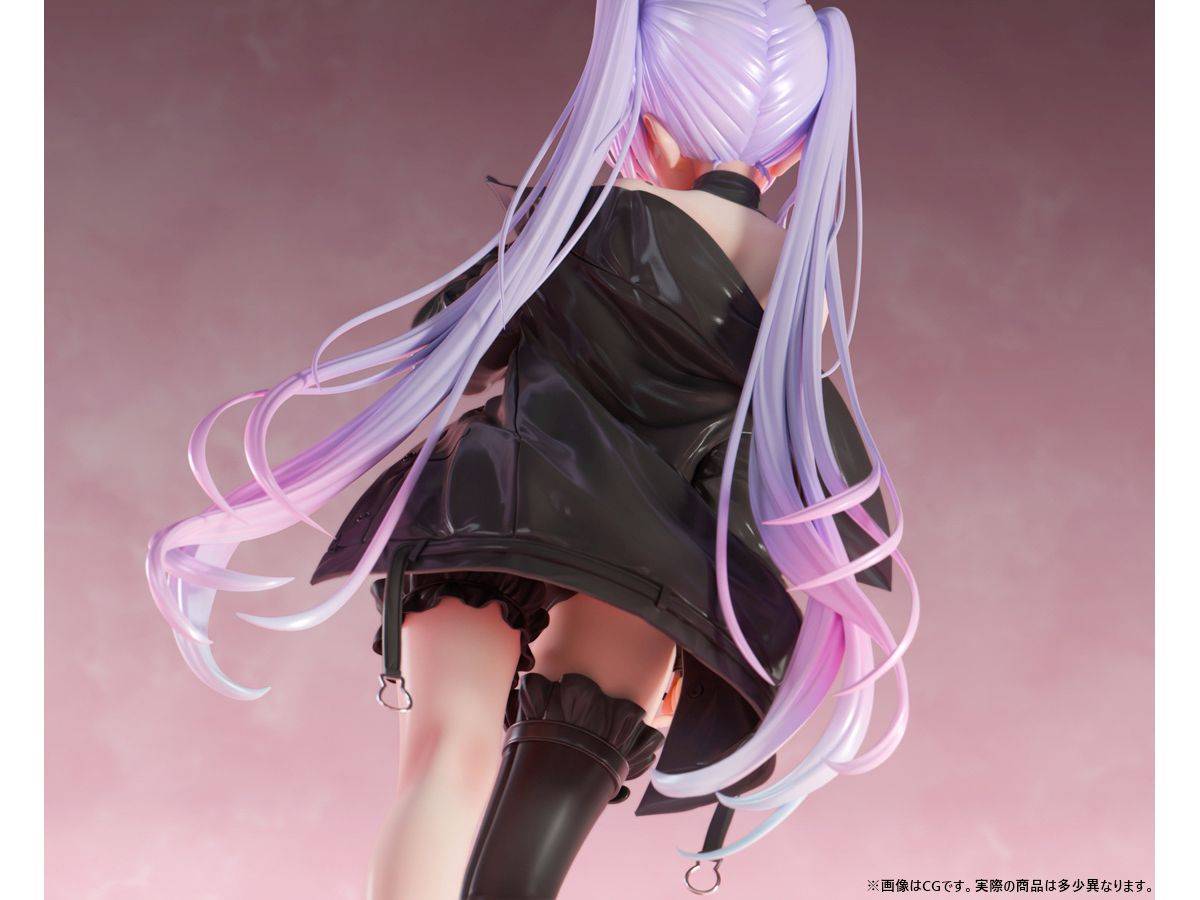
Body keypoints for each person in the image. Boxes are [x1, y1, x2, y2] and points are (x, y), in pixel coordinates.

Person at [147, 2, 918, 897]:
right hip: (657, 553)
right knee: (551, 800)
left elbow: (455, 331)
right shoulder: (797, 277)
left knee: (446, 760)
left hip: (500, 502)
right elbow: (755, 456)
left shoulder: (583, 217)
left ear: (648, 116)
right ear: (789, 150)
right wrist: (720, 618)